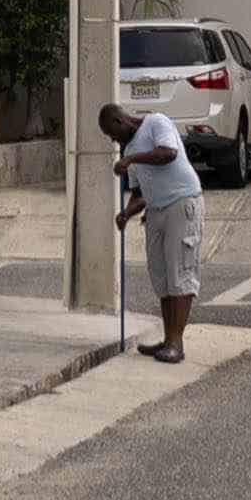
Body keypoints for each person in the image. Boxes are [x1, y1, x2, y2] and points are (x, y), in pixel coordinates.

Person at [98, 98, 201, 360]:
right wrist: (126, 214)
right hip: (155, 211)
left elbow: (168, 153)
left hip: (182, 203)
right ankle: (168, 338)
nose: (114, 141)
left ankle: (176, 344)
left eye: (112, 134)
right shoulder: (129, 148)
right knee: (162, 275)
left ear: (120, 121)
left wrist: (131, 159)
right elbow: (140, 194)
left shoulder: (156, 122)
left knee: (180, 273)